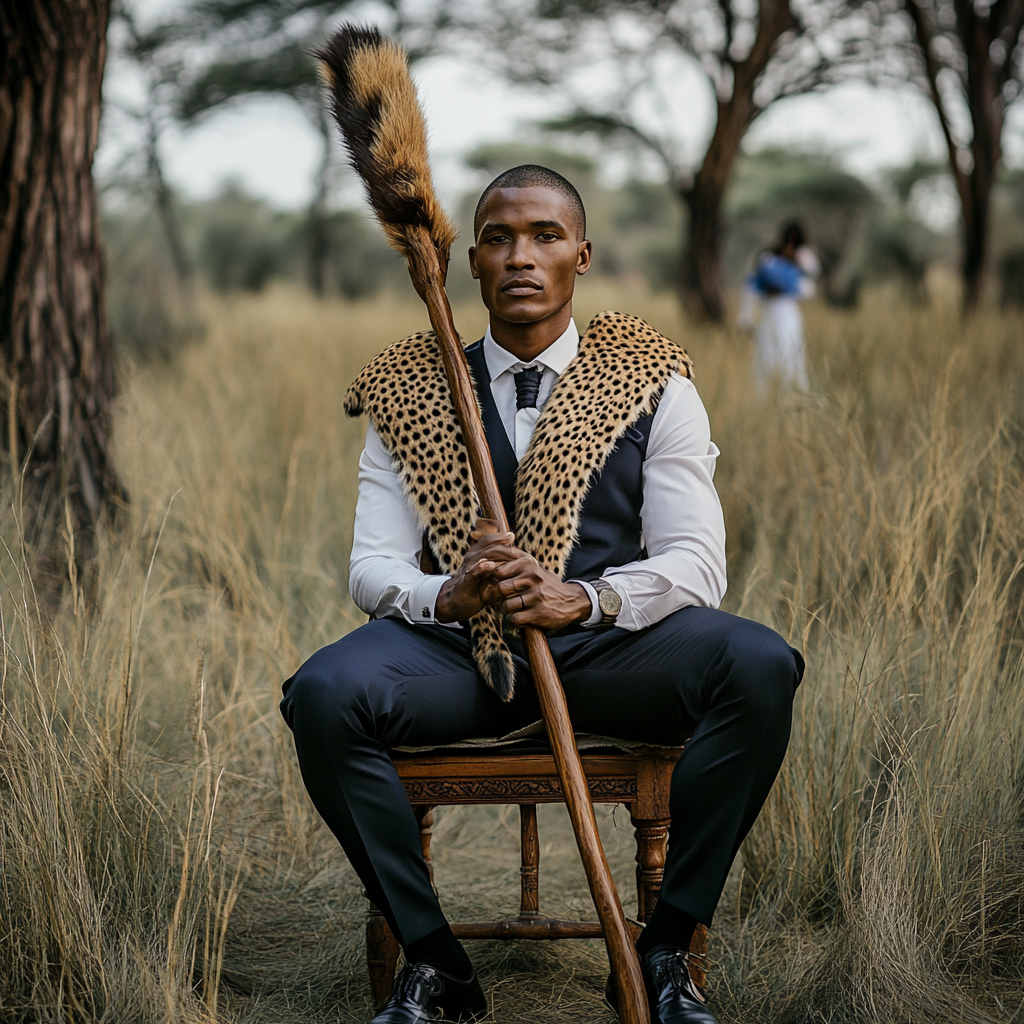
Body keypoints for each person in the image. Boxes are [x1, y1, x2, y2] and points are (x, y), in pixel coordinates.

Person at [280, 165, 804, 1024]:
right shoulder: (408, 387)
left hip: (606, 651)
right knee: (325, 694)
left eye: (545, 236)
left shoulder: (654, 380)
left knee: (759, 666)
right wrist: (446, 597)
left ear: (582, 256)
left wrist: (583, 602)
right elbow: (371, 570)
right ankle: (436, 963)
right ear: (471, 265)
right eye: (498, 237)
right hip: (460, 656)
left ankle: (665, 951)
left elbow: (696, 565)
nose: (521, 255)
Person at [738, 220, 819, 388]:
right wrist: (746, 318)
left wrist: (796, 261)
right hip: (769, 313)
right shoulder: (768, 257)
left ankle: (793, 395)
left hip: (788, 313)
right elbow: (752, 286)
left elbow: (810, 284)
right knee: (766, 356)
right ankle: (764, 397)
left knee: (791, 354)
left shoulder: (802, 259)